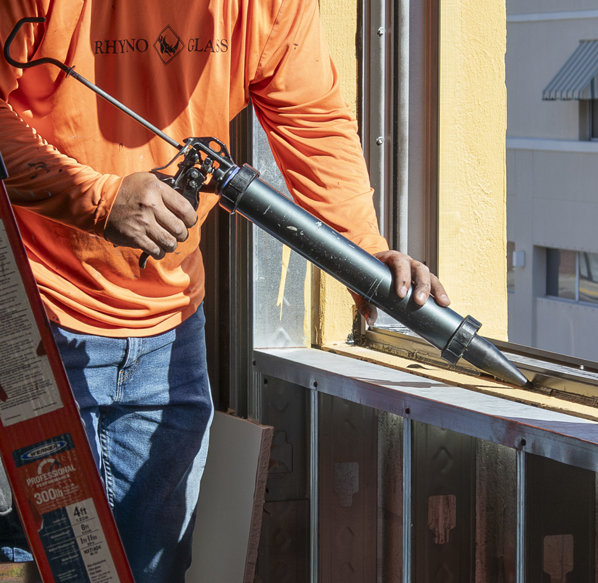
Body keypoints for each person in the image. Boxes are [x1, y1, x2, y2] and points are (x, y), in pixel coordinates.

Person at [0, 1, 450, 581]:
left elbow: (312, 119)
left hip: (167, 325)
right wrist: (97, 201)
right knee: (30, 560)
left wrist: (361, 249)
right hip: (32, 314)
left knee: (152, 566)